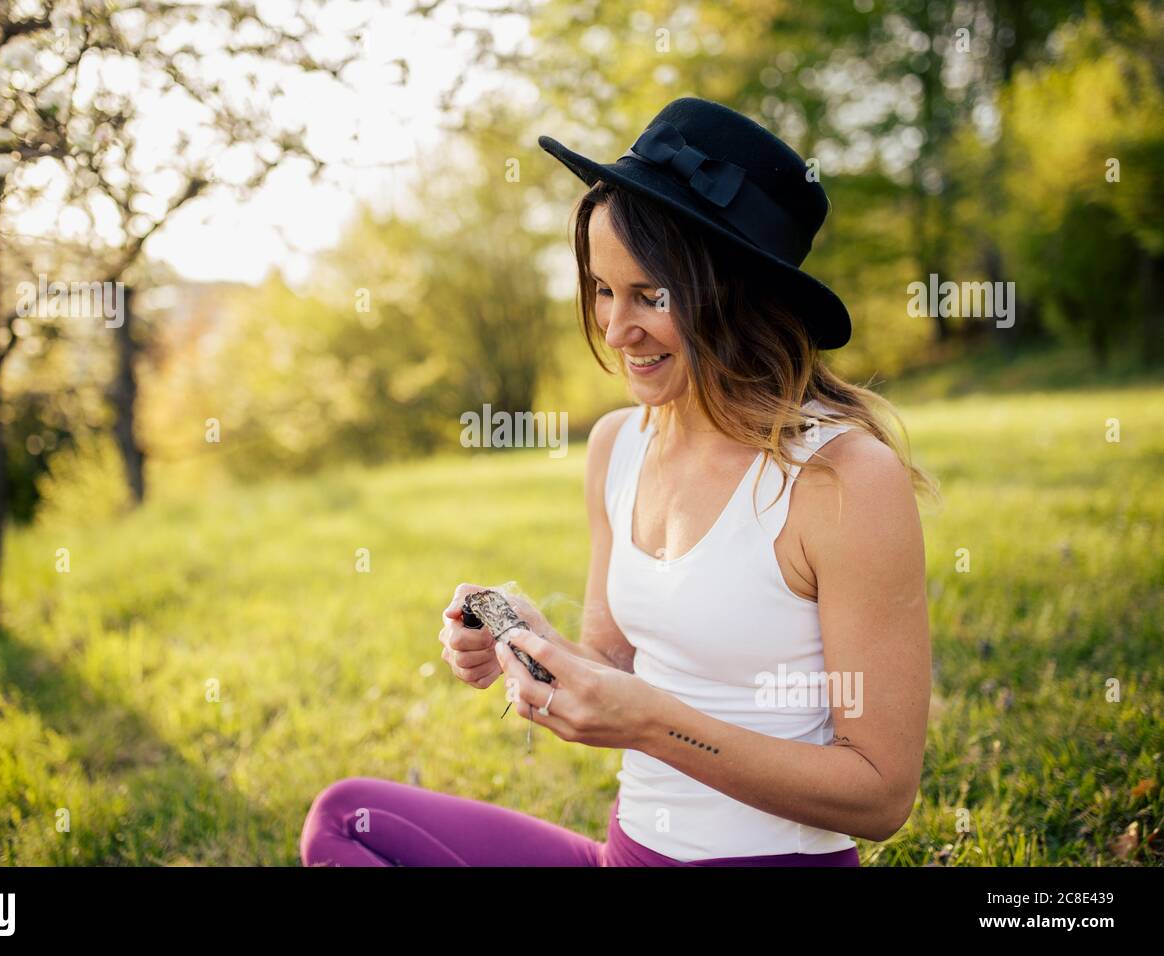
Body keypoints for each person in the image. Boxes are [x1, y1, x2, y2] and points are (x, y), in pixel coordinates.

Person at [300, 96, 935, 867]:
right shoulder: (617, 444)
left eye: (650, 296)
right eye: (604, 289)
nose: (614, 327)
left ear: (735, 294)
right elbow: (613, 662)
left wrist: (650, 725)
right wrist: (529, 643)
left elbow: (880, 795)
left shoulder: (841, 479)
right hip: (627, 856)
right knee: (348, 819)